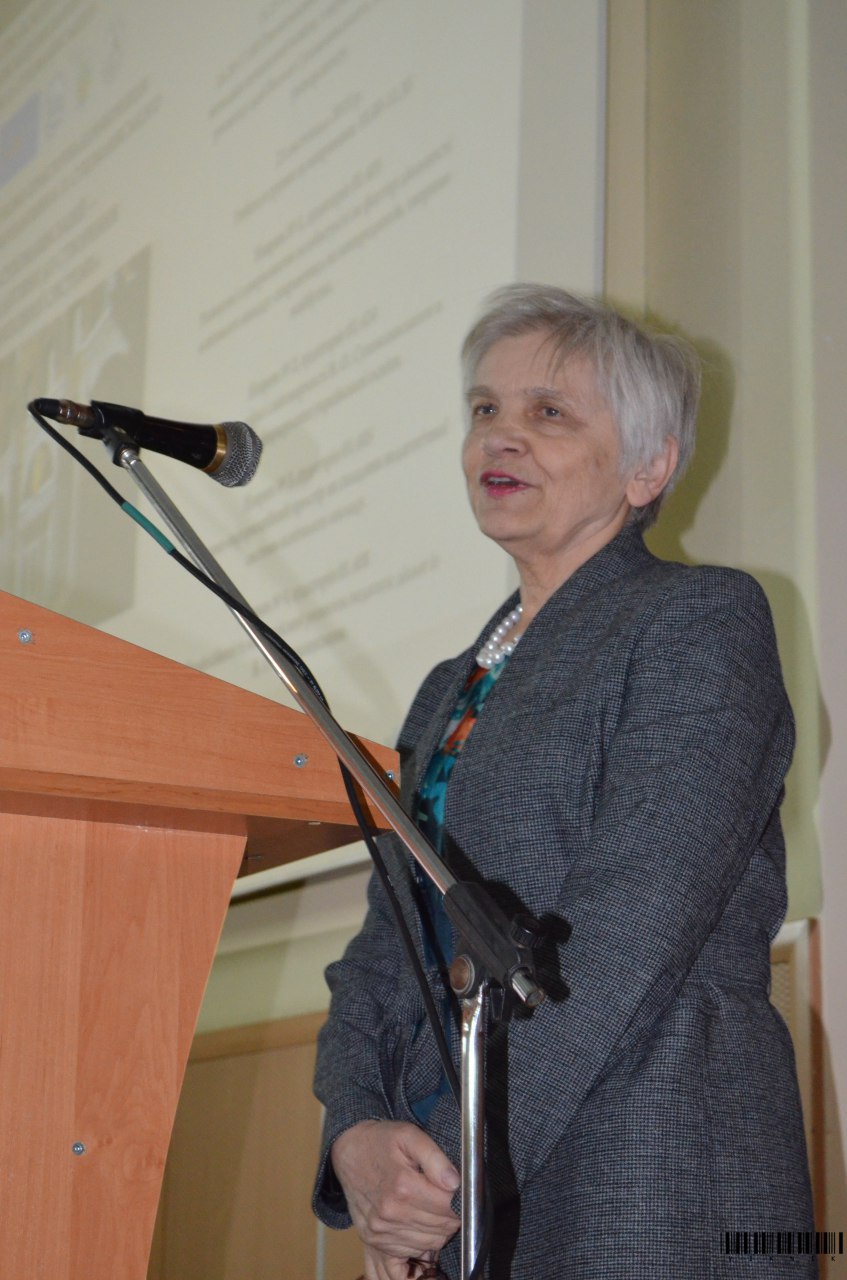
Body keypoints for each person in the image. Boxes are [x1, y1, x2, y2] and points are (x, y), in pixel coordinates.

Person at [312, 285, 817, 1279]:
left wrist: (450, 1172)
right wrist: (357, 1133)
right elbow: (386, 944)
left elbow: (627, 929)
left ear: (648, 466)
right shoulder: (446, 689)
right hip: (462, 1178)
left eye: (548, 412)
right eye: (484, 409)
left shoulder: (698, 620)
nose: (499, 436)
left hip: (649, 1168)